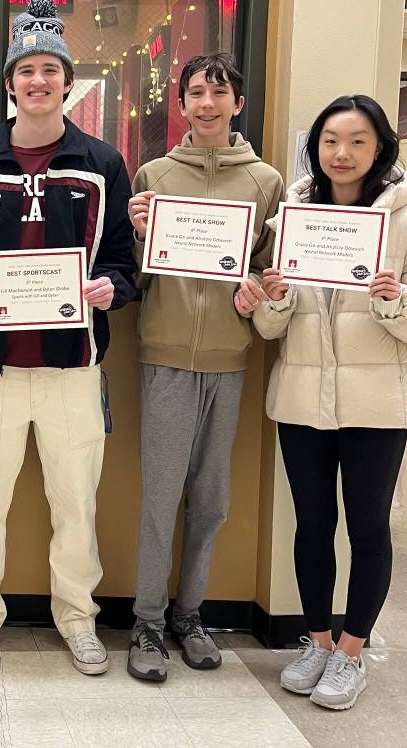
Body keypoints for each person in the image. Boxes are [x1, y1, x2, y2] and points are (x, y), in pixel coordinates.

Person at [0, 0, 138, 676]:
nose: (38, 81)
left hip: (72, 366)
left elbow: (123, 260)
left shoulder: (101, 163)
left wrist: (112, 287)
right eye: (27, 71)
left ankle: (78, 618)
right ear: (9, 83)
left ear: (66, 82)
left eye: (51, 69)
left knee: (75, 502)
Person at [253, 94, 407, 710]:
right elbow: (268, 328)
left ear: (380, 147)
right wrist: (275, 296)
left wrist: (395, 300)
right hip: (303, 402)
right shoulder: (293, 218)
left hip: (377, 407)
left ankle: (351, 652)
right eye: (331, 140)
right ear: (315, 147)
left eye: (358, 140)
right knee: (312, 526)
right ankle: (315, 641)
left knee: (367, 530)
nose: (342, 153)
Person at [125, 53, 284, 682]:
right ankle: (146, 621)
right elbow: (135, 276)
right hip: (164, 354)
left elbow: (274, 275)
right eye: (196, 92)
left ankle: (190, 615)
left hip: (229, 358)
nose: (208, 103)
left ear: (237, 103)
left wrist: (257, 290)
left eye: (219, 92)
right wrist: (140, 235)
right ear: (182, 104)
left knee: (212, 499)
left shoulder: (265, 182)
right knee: (161, 496)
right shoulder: (154, 174)